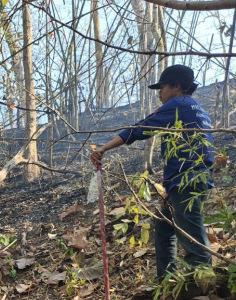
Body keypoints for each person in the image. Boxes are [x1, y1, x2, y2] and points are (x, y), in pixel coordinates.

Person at [90, 64, 215, 281]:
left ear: (176, 86)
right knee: (165, 225)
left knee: (193, 237)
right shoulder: (197, 110)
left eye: (162, 87)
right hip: (193, 179)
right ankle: (166, 280)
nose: (159, 93)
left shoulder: (178, 104)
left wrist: (103, 149)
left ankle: (203, 283)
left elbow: (140, 129)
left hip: (186, 180)